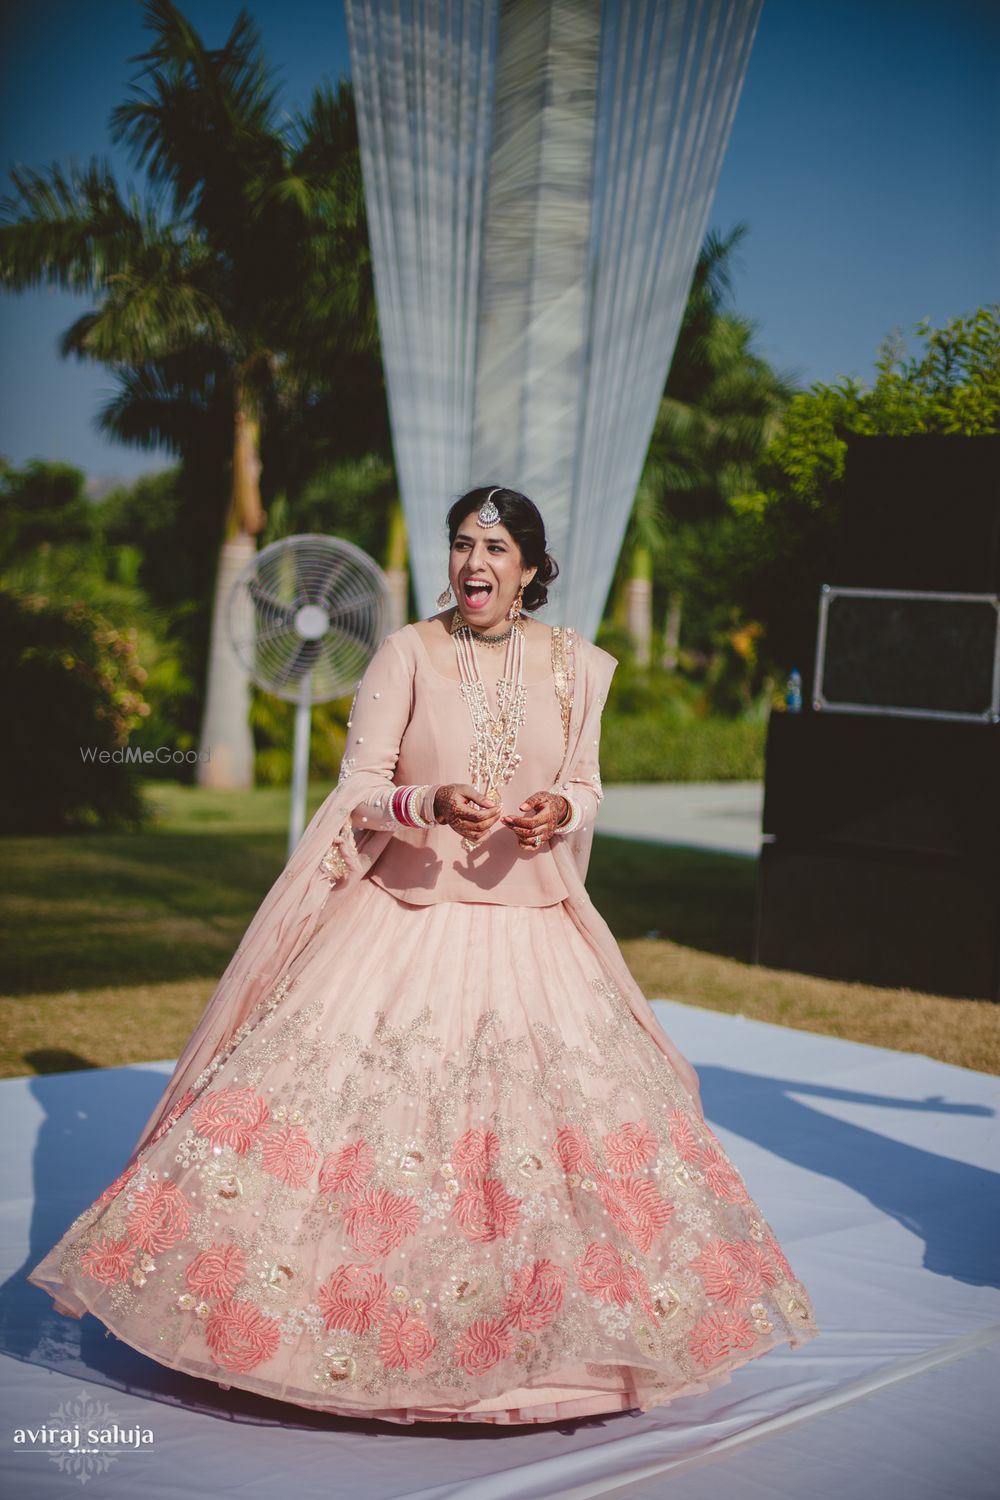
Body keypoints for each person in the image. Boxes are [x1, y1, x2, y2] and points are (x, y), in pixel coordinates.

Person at [28, 486, 818, 1425]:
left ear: (529, 567)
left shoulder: (579, 666)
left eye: (493, 547)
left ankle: (543, 1349)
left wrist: (558, 812)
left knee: (550, 1150)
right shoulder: (406, 652)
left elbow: (588, 784)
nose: (472, 563)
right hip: (404, 920)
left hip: (533, 930)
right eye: (460, 544)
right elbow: (359, 787)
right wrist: (427, 803)